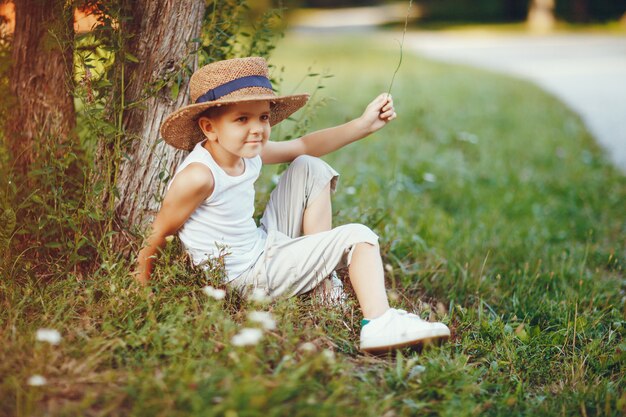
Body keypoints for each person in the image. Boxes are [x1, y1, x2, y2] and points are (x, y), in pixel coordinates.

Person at [135, 57, 450, 353]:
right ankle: (380, 324)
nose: (257, 128)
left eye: (263, 117)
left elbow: (304, 145)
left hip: (261, 249)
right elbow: (159, 232)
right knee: (359, 236)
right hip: (243, 277)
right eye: (241, 119)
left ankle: (320, 284)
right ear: (209, 128)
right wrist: (141, 296)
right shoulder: (199, 176)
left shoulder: (245, 149)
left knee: (309, 166)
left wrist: (363, 125)